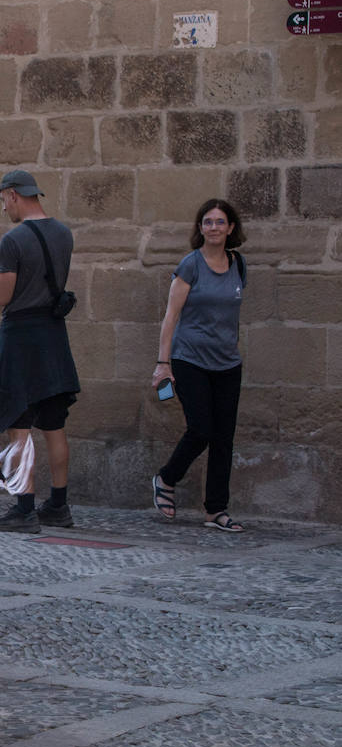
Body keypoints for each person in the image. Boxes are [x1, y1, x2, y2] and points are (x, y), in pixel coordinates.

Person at [0, 170, 80, 532]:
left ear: (12, 195)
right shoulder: (63, 233)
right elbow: (38, 270)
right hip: (54, 337)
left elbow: (1, 296)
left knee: (20, 426)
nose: (3, 206)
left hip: (21, 339)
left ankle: (24, 509)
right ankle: (59, 505)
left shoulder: (16, 239)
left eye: (3, 199)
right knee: (55, 426)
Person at [151, 199, 248, 533]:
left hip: (228, 364)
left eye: (220, 222)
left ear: (231, 228)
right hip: (190, 360)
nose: (214, 228)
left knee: (224, 438)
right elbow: (171, 317)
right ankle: (166, 478)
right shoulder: (191, 265)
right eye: (208, 222)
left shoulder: (238, 265)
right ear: (200, 228)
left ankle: (216, 510)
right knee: (201, 429)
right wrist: (164, 364)